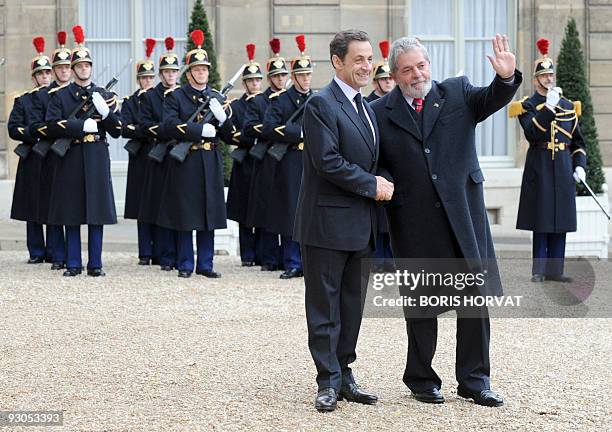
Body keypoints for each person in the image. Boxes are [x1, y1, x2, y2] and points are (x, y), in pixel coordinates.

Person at [371, 35, 521, 407]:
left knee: (474, 302)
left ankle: (474, 380)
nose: (416, 74)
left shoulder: (456, 92)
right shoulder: (378, 111)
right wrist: (387, 183)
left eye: (420, 66)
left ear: (429, 65)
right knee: (422, 304)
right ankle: (422, 379)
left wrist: (505, 79)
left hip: (464, 217)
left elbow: (491, 99)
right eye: (407, 69)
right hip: (414, 219)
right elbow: (374, 161)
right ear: (395, 75)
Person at [295, 29, 394, 412]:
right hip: (326, 225)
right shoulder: (321, 104)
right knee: (325, 307)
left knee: (352, 305)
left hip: (361, 225)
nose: (367, 66)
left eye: (369, 58)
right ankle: (327, 380)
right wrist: (373, 185)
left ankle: (346, 373)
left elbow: (372, 160)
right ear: (337, 62)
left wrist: (386, 180)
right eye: (359, 59)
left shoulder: (366, 107)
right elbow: (328, 161)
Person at [45, 25, 121, 277]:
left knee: (96, 212)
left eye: (87, 65)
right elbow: (52, 125)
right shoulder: (60, 95)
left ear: (91, 67)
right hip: (72, 155)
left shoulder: (103, 94)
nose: (83, 69)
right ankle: (73, 263)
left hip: (97, 155)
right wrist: (80, 125)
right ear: (73, 69)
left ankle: (96, 264)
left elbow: (118, 130)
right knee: (72, 211)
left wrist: (107, 113)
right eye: (78, 66)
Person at [512, 38, 587, 283]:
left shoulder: (568, 106)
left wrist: (579, 167)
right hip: (541, 164)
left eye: (550, 74)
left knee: (561, 219)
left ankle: (556, 270)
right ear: (535, 79)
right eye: (543, 75)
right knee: (542, 218)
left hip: (563, 165)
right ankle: (539, 270)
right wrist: (548, 109)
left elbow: (578, 142)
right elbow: (532, 133)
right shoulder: (527, 105)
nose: (548, 79)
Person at [159, 29, 233, 278]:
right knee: (185, 214)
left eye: (205, 69)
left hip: (208, 160)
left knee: (208, 214)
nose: (202, 73)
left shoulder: (215, 97)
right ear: (188, 72)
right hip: (187, 159)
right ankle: (185, 264)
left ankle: (206, 264)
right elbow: (168, 125)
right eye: (197, 69)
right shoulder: (176, 97)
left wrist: (223, 119)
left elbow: (231, 136)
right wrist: (199, 129)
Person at [262, 35, 313, 279]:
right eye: (301, 75)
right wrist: (298, 132)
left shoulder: (317, 99)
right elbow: (269, 127)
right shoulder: (281, 100)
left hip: (312, 161)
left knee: (311, 211)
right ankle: (293, 261)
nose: (305, 79)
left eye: (308, 75)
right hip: (291, 159)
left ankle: (309, 261)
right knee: (292, 211)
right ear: (293, 77)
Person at [243, 38, 289, 272]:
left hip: (288, 159)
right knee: (270, 210)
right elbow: (249, 127)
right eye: (277, 76)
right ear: (270, 78)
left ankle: (287, 257)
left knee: (288, 209)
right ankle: (269, 258)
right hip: (268, 158)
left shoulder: (290, 99)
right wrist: (271, 131)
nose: (281, 79)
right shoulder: (259, 101)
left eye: (283, 76)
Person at [9, 36, 53, 265]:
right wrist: (33, 134)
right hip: (32, 157)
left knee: (53, 204)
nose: (44, 77)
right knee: (31, 205)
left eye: (47, 73)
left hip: (53, 156)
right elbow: (13, 128)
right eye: (41, 73)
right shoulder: (23, 100)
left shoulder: (59, 97)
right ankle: (36, 250)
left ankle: (55, 250)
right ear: (34, 77)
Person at [139, 36, 180, 272]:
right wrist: (166, 130)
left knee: (178, 206)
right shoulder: (151, 97)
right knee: (161, 207)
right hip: (159, 154)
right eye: (167, 71)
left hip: (180, 155)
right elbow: (145, 125)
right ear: (161, 74)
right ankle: (165, 255)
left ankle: (178, 252)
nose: (171, 75)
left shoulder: (184, 94)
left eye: (174, 71)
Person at [226, 43, 264, 267]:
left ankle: (260, 253)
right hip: (244, 160)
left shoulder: (268, 103)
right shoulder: (237, 106)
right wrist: (248, 137)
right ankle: (247, 254)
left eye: (258, 80)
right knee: (243, 210)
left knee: (261, 208)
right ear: (245, 83)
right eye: (251, 81)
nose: (255, 84)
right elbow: (231, 134)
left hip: (263, 161)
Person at [123, 38, 157, 265]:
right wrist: (143, 131)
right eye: (143, 78)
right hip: (140, 156)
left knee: (159, 204)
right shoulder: (130, 101)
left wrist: (143, 129)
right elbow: (125, 126)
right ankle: (145, 252)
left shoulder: (162, 100)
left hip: (159, 155)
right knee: (141, 206)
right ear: (138, 80)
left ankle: (161, 251)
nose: (147, 81)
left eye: (150, 78)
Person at [365, 40, 395, 271]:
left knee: (391, 218)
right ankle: (378, 258)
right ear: (376, 81)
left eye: (390, 78)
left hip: (393, 164)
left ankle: (391, 259)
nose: (388, 83)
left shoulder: (396, 101)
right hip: (374, 165)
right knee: (377, 216)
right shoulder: (366, 103)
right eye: (384, 79)